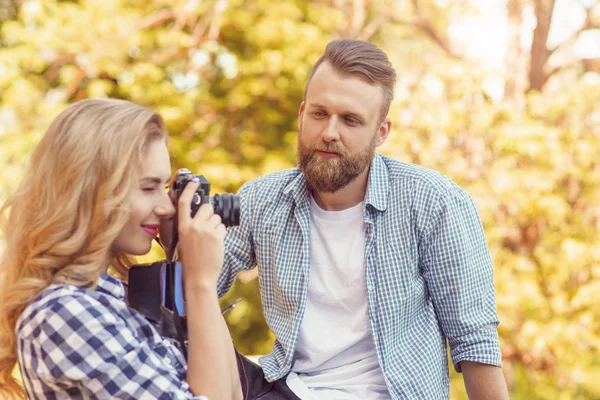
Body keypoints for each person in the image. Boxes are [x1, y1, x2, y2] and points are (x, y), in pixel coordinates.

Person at [219, 40, 509, 399]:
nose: (329, 132)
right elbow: (193, 288)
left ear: (381, 133)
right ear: (301, 114)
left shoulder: (433, 202)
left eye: (351, 120)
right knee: (174, 345)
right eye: (319, 113)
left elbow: (473, 338)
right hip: (287, 389)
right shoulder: (262, 199)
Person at [0, 99, 242, 400]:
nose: (167, 207)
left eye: (165, 187)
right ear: (90, 191)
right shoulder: (63, 312)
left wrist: (184, 267)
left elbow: (232, 391)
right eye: (148, 188)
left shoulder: (118, 298)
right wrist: (200, 281)